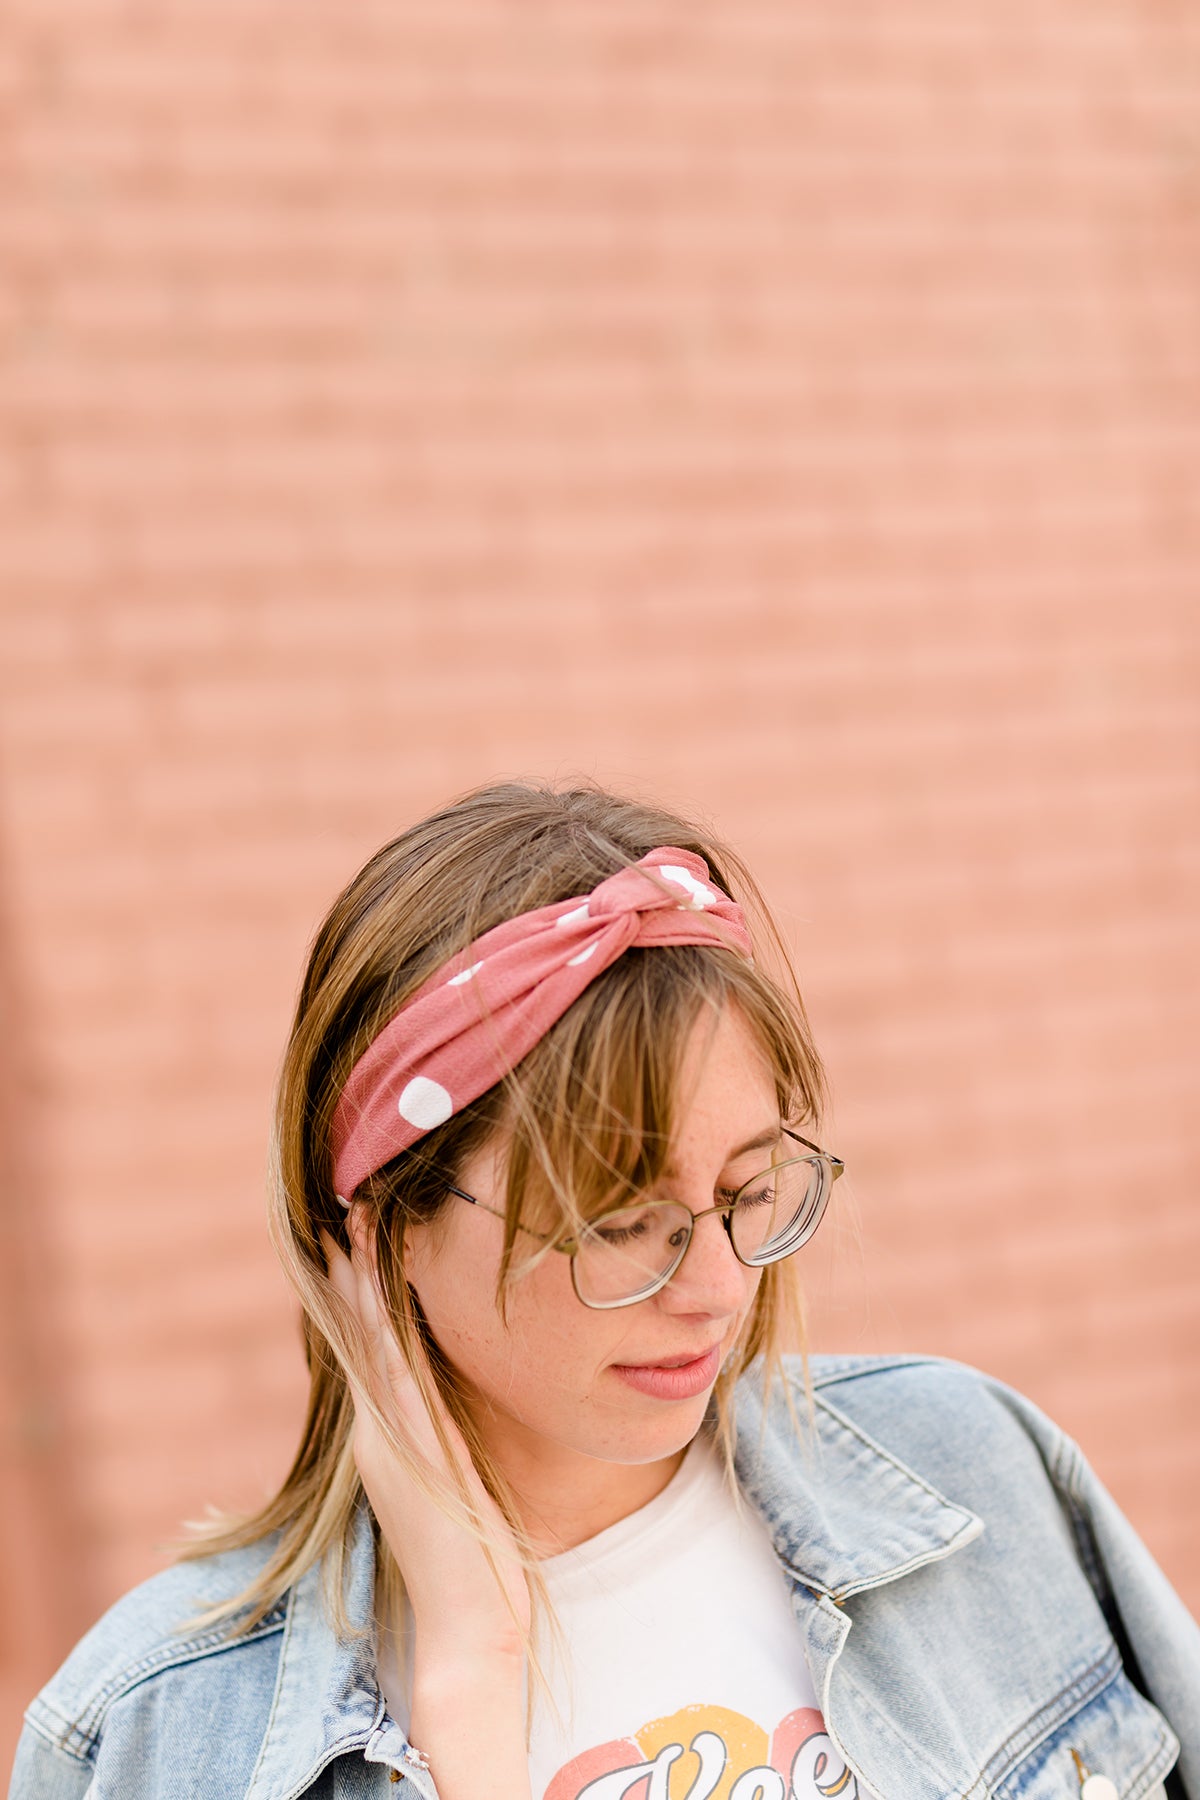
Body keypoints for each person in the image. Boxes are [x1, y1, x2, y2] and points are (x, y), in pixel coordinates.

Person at [9, 781, 1199, 1800]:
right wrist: (474, 1681)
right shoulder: (160, 1734)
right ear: (381, 1230)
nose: (719, 1287)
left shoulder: (968, 1470)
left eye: (749, 1190)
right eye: (621, 1225)